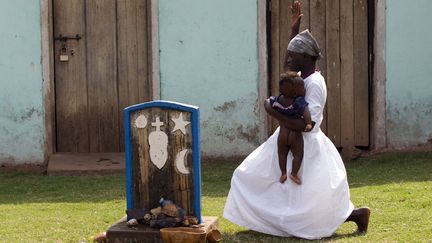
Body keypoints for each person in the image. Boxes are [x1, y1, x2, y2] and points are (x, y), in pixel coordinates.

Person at [223, 1, 370, 239]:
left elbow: (305, 124)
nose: (288, 58)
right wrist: (294, 31)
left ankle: (356, 215)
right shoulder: (303, 77)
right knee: (250, 177)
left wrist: (272, 111)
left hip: (305, 144)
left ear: (305, 56)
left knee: (310, 200)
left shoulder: (314, 84)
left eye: (293, 54)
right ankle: (269, 223)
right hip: (285, 138)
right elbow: (287, 71)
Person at [269, 72, 313, 184]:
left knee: (281, 153)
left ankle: (283, 173)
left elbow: (269, 103)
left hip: (283, 133)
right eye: (302, 88)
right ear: (296, 91)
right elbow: (306, 111)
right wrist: (308, 123)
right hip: (294, 133)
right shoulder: (298, 101)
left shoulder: (278, 100)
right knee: (298, 154)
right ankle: (294, 173)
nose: (304, 90)